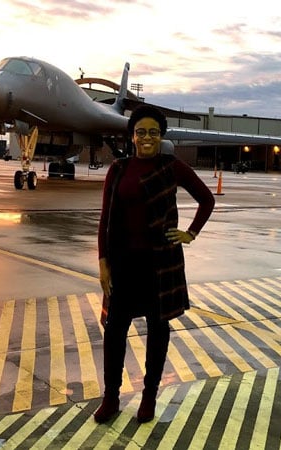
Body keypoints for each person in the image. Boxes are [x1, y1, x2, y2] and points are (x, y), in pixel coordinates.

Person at [94, 105, 215, 424]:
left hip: (160, 263)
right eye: (141, 132)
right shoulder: (118, 169)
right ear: (132, 136)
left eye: (153, 132)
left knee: (158, 330)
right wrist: (103, 261)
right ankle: (111, 398)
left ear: (161, 137)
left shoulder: (171, 167)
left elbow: (207, 199)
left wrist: (190, 233)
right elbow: (106, 219)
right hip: (122, 263)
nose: (147, 138)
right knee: (115, 331)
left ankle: (148, 396)